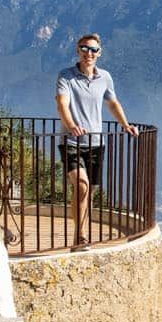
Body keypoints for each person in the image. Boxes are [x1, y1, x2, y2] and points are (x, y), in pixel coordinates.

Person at [56, 33, 138, 249]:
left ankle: (81, 232)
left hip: (95, 144)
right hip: (71, 142)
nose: (88, 53)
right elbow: (62, 104)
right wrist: (72, 125)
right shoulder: (66, 77)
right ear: (78, 50)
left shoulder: (105, 77)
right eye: (84, 49)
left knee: (89, 191)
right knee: (81, 186)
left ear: (99, 53)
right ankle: (80, 235)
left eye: (93, 50)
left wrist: (125, 124)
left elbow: (112, 103)